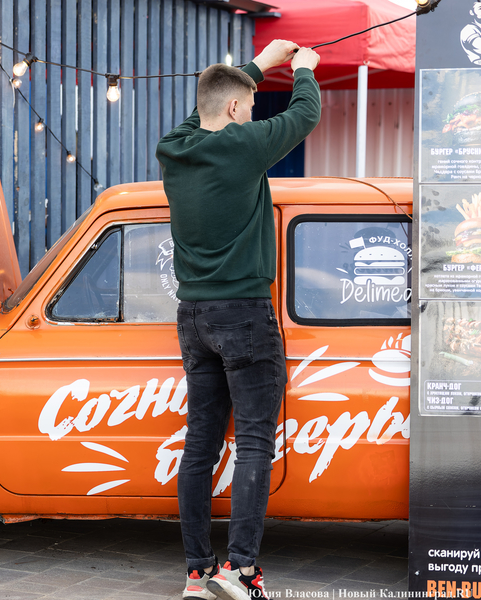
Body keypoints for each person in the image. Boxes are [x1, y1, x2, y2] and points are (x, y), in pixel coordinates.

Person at [155, 41, 321, 600]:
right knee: (253, 443)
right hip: (245, 314)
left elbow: (204, 107)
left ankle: (198, 574)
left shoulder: (173, 148)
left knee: (200, 445)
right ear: (234, 112)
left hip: (193, 316)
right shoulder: (242, 146)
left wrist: (256, 67)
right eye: (247, 106)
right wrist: (300, 70)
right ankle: (243, 572)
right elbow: (306, 114)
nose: (250, 115)